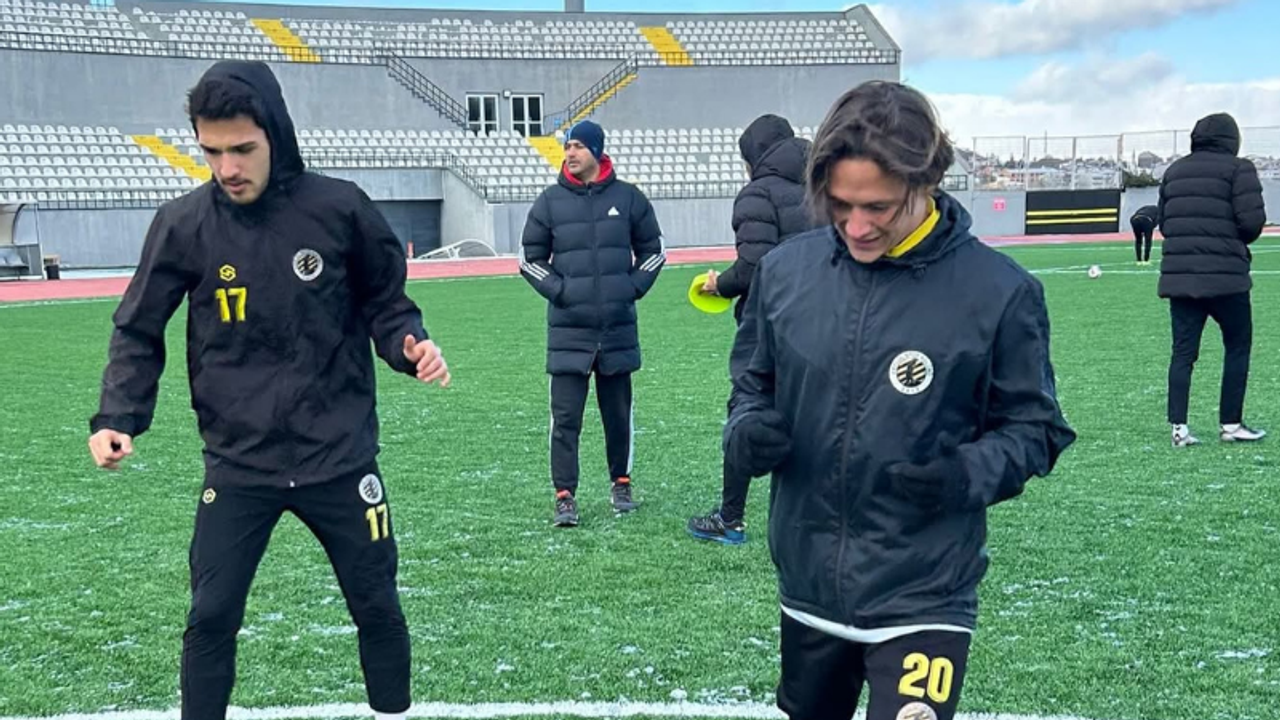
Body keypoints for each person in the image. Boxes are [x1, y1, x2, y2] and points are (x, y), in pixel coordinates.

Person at [87, 61, 449, 720]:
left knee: (377, 604)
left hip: (339, 458)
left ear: (276, 134)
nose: (227, 167)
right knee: (210, 615)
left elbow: (386, 302)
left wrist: (409, 344)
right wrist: (118, 414)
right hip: (239, 463)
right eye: (212, 151)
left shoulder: (340, 208)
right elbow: (138, 327)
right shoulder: (183, 224)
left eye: (242, 149)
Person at [723, 81, 1076, 720]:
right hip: (808, 586)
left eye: (879, 207)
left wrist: (965, 474)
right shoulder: (784, 273)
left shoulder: (1000, 293)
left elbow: (1037, 429)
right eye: (840, 205)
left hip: (925, 592)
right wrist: (747, 429)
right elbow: (751, 386)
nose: (857, 226)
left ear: (928, 181)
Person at [519, 120, 666, 527]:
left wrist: (630, 288)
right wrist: (561, 291)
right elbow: (529, 259)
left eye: (579, 146)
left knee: (618, 416)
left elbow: (654, 251)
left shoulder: (629, 198)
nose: (570, 153)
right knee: (565, 420)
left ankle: (621, 484)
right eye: (568, 147)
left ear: (597, 151)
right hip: (569, 332)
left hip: (617, 330)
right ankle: (565, 496)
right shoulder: (549, 202)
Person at [688, 114, 818, 545]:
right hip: (827, 319)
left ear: (753, 156)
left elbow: (754, 267)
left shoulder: (757, 193)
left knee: (746, 411)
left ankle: (731, 519)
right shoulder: (824, 187)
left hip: (771, 324)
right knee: (817, 415)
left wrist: (718, 285)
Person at [1158, 112, 1267, 448]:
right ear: (1232, 139)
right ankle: (1231, 424)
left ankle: (1179, 429)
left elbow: (1166, 224)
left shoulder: (1174, 171)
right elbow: (1251, 224)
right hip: (1227, 279)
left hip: (1181, 279)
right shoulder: (1239, 169)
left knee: (1183, 353)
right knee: (1237, 346)